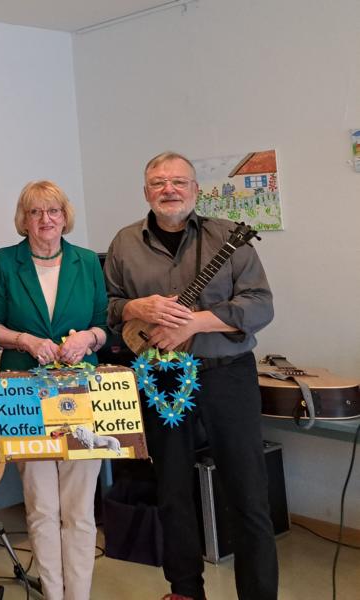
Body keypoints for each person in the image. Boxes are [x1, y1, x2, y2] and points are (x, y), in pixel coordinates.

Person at [103, 151, 277, 600]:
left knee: (248, 493)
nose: (169, 189)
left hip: (226, 373)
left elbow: (261, 305)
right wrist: (136, 308)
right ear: (146, 192)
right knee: (173, 489)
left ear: (196, 190)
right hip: (161, 376)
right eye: (158, 182)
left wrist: (197, 321)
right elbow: (106, 306)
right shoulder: (124, 243)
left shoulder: (229, 240)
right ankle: (184, 591)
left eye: (179, 181)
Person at [0, 180, 108, 600]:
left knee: (79, 509)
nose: (45, 220)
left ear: (64, 215)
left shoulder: (87, 262)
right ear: (24, 219)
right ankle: (53, 595)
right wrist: (26, 341)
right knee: (42, 507)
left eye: (52, 211)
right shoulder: (4, 262)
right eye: (35, 212)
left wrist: (87, 339)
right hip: (25, 395)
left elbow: (105, 324)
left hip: (80, 392)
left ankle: (79, 595)